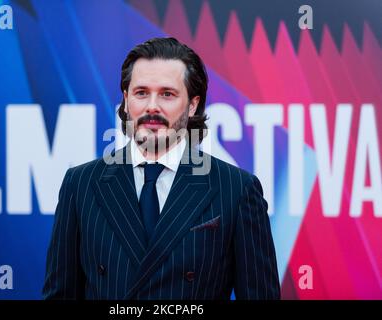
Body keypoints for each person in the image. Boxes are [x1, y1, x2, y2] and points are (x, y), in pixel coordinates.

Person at [43, 37, 280, 300]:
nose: (152, 106)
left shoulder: (236, 189)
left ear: (192, 105)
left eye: (167, 94)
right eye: (141, 92)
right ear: (125, 100)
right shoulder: (81, 184)